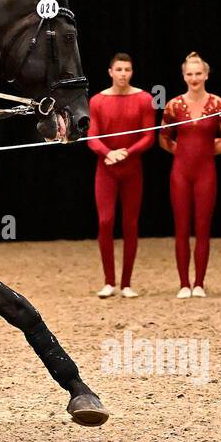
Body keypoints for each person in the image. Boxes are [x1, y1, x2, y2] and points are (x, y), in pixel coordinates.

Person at [159, 52, 221, 298]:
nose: (194, 78)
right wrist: (181, 150)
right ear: (183, 76)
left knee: (203, 227)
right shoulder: (173, 105)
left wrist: (205, 149)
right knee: (181, 228)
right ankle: (183, 284)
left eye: (198, 73)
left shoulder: (219, 104)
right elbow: (163, 138)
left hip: (206, 173)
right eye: (189, 74)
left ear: (206, 75)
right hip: (180, 173)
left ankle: (199, 283)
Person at [88, 53, 156, 299]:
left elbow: (149, 136)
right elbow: (91, 136)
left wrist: (126, 153)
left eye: (127, 69)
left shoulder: (145, 99)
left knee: (130, 224)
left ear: (132, 72)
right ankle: (109, 281)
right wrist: (108, 153)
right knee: (105, 222)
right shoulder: (97, 100)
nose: (123, 74)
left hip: (131, 168)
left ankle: (126, 282)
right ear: (110, 72)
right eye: (119, 69)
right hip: (106, 168)